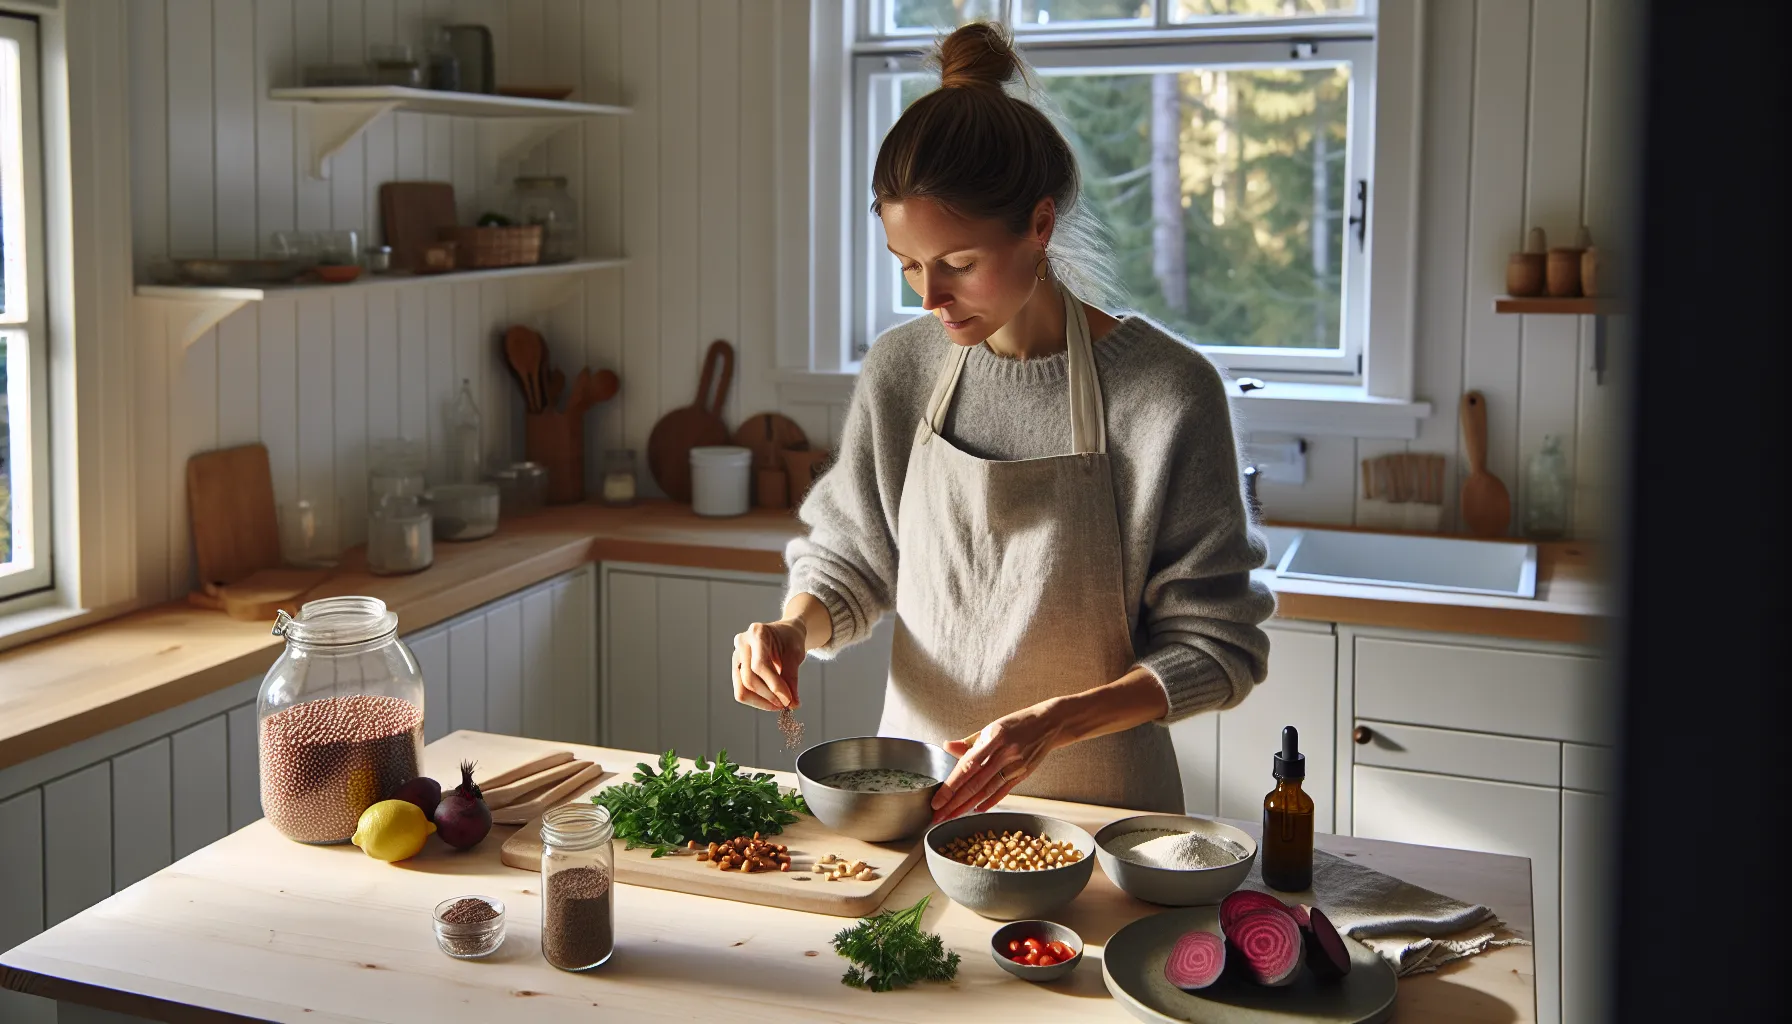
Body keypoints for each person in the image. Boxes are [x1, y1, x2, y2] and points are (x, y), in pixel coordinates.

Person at [731, 21, 1274, 822]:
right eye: (908, 264)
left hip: (1106, 819)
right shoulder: (903, 367)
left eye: (958, 264)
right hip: (917, 806)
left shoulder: (1167, 393)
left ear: (1040, 226)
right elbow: (855, 558)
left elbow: (1217, 647)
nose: (928, 297)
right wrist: (791, 628)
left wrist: (1051, 726)